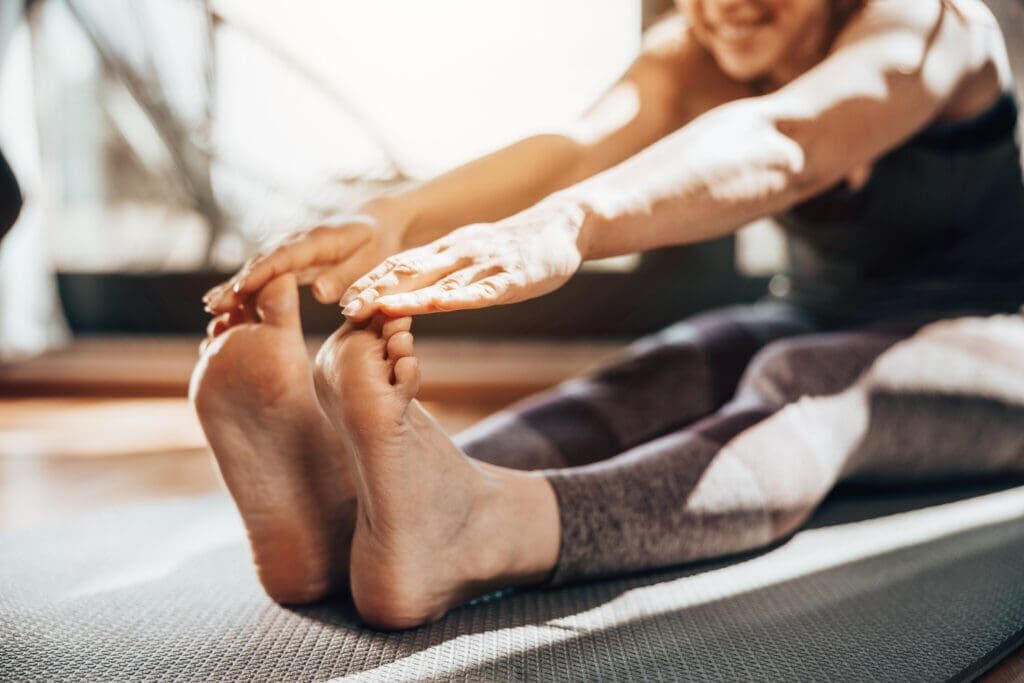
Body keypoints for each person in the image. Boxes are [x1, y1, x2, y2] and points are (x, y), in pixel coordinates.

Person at [192, 0, 1024, 630]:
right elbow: (579, 145)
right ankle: (357, 508)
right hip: (818, 309)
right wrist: (396, 215)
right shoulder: (704, 50)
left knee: (802, 379)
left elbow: (788, 142)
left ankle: (488, 528)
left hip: (996, 340)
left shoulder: (928, 23)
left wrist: (568, 223)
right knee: (680, 356)